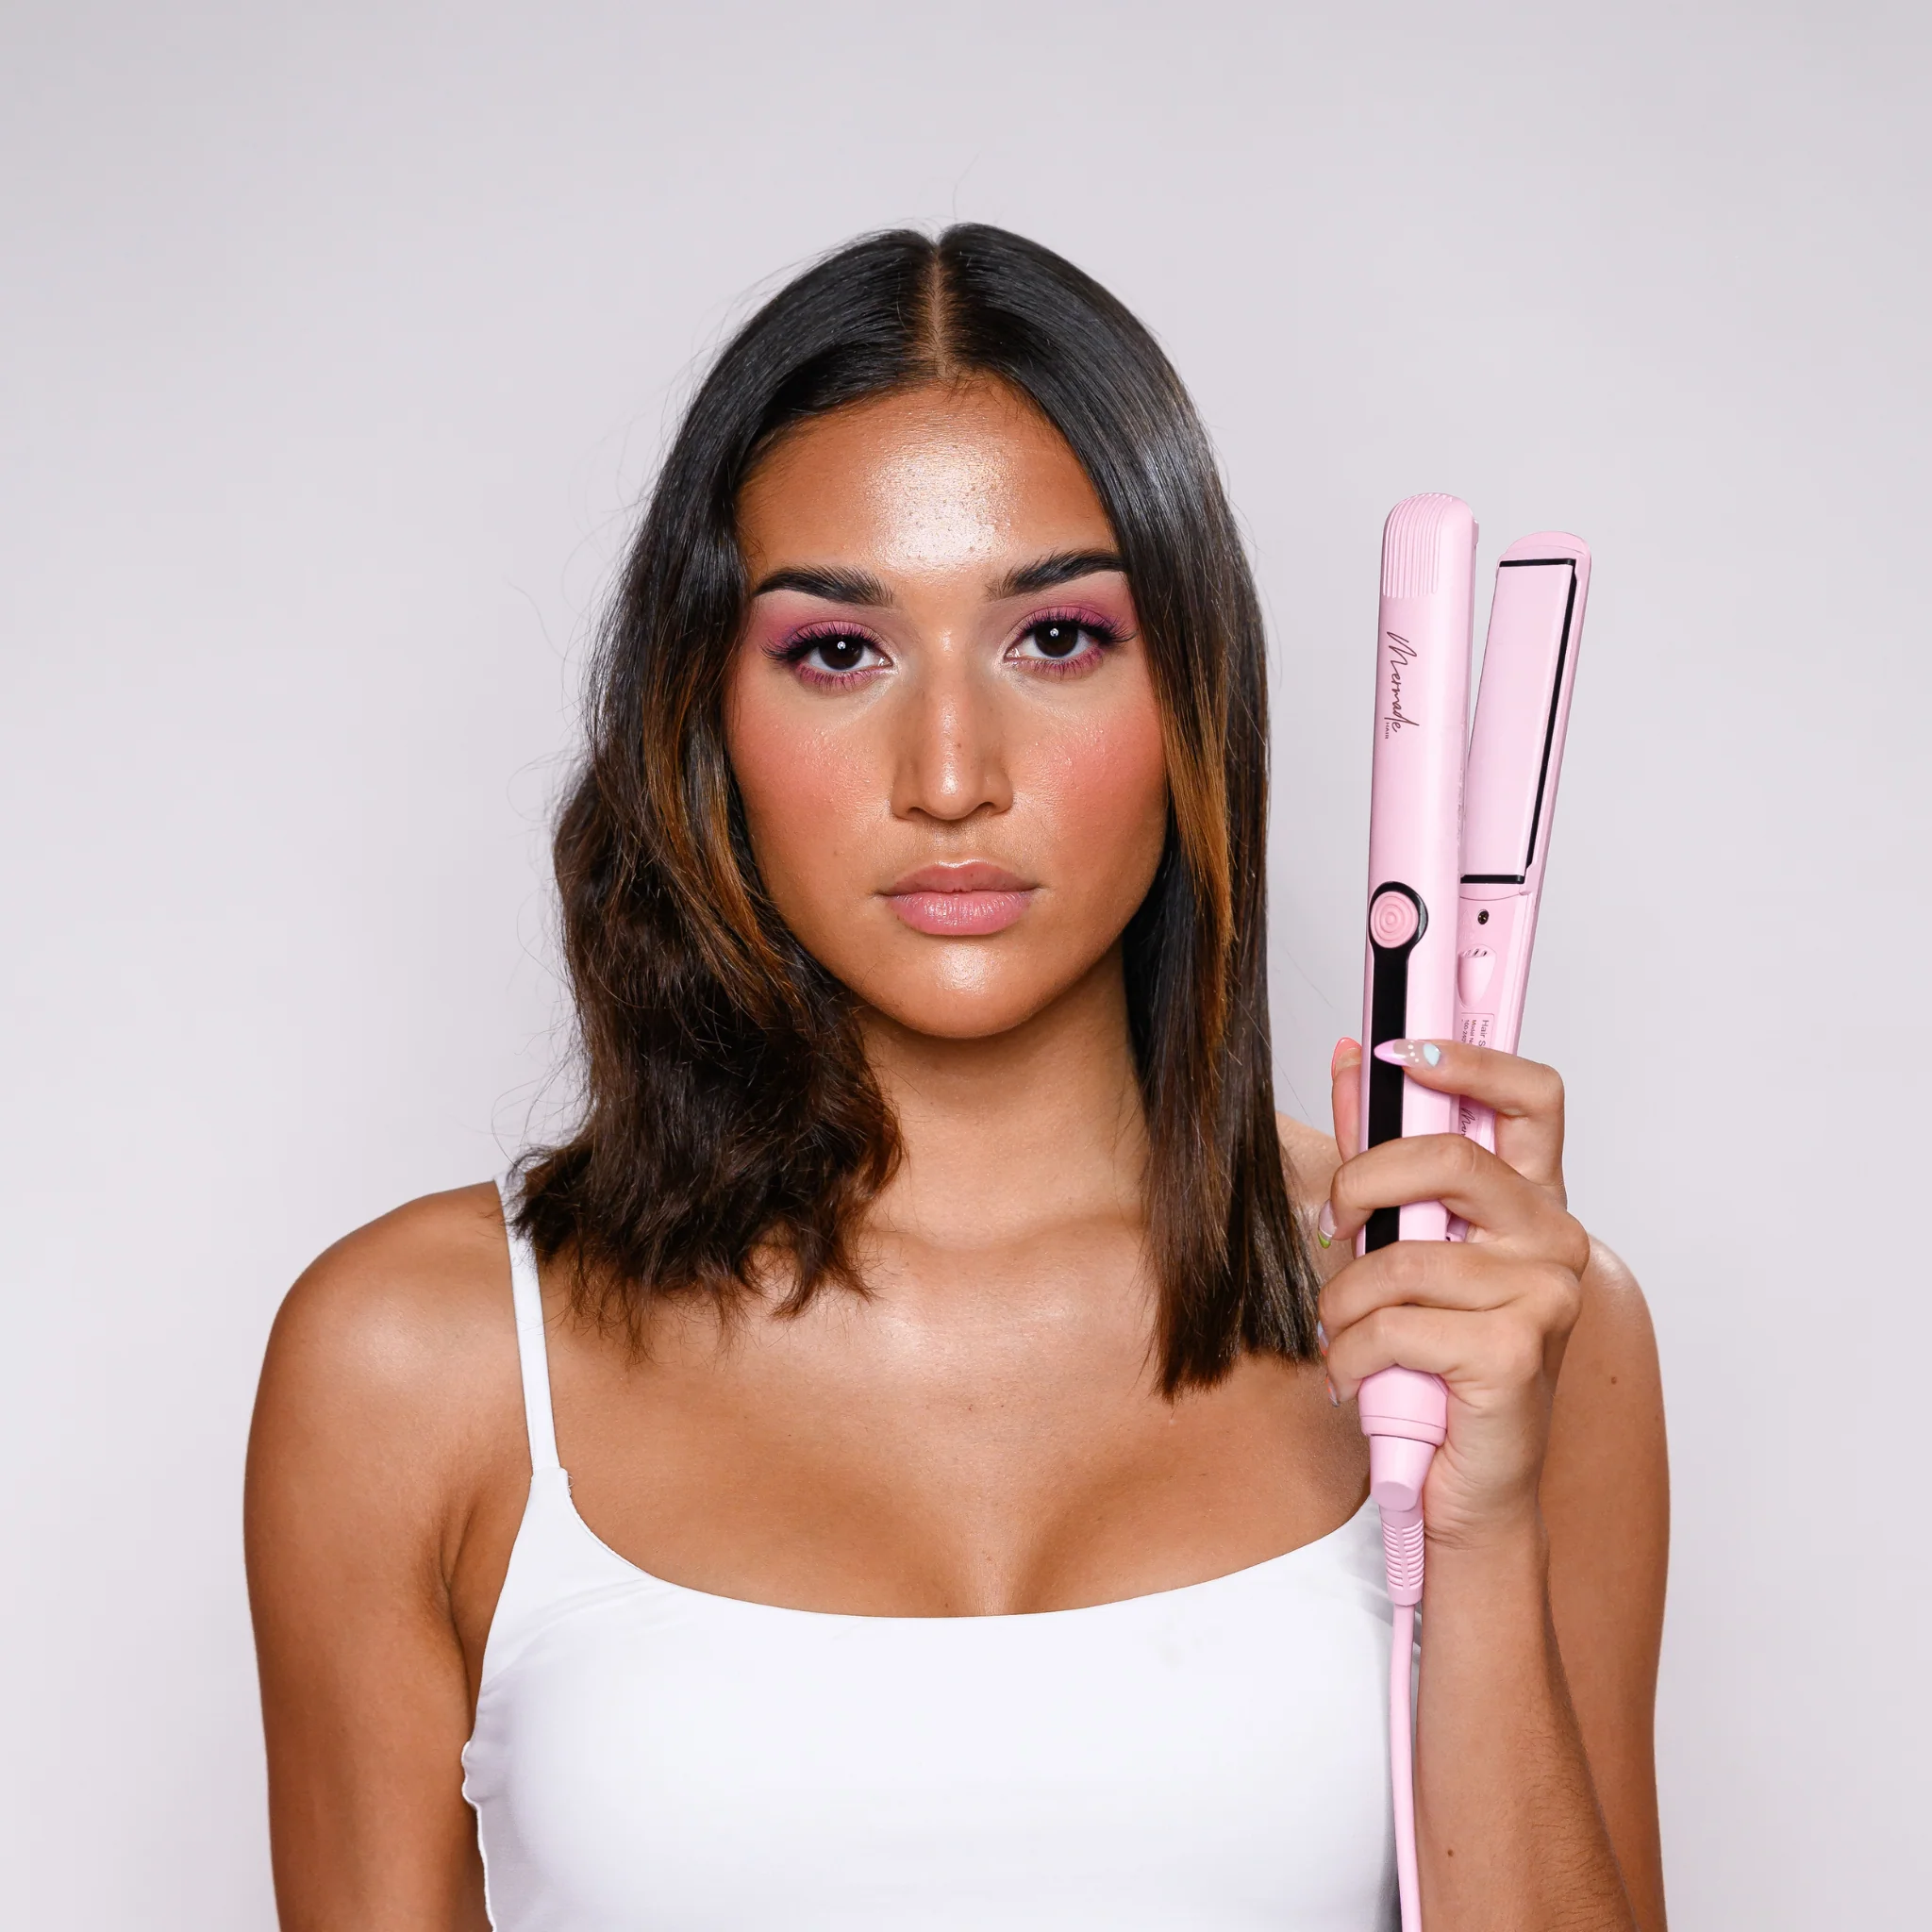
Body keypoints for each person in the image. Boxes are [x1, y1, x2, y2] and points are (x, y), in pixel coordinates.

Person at [245, 225, 1668, 1931]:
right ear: (704, 716)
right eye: (838, 652)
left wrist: (1479, 1533)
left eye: (1055, 638)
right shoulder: (418, 1365)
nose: (949, 775)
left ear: (1192, 691)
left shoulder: (1493, 1325)